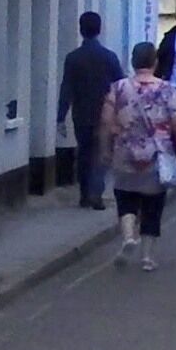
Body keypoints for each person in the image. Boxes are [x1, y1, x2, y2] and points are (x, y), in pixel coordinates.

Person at [99, 45, 176, 270]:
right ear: (155, 62)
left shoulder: (118, 87)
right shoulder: (167, 89)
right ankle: (147, 257)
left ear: (132, 62)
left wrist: (105, 148)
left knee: (125, 197)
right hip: (157, 154)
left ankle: (128, 237)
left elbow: (105, 120)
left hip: (124, 151)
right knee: (153, 204)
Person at [59, 12, 125, 209]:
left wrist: (60, 117)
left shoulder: (73, 58)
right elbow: (119, 86)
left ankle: (84, 194)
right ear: (99, 29)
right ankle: (96, 192)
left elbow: (67, 88)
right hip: (106, 113)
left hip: (81, 113)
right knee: (101, 153)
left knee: (84, 153)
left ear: (81, 30)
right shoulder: (109, 57)